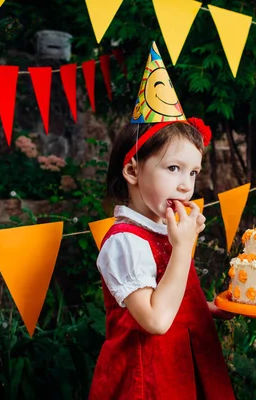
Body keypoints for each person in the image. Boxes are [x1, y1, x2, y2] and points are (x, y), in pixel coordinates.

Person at [88, 42, 235, 400]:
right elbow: (155, 319)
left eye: (193, 172)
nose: (186, 184)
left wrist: (207, 309)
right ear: (132, 170)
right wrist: (184, 247)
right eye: (173, 169)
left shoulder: (163, 231)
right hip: (148, 383)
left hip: (183, 370)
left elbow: (170, 298)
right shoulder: (125, 241)